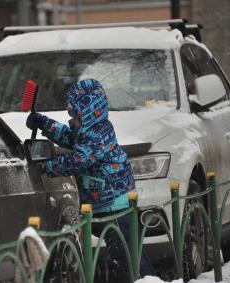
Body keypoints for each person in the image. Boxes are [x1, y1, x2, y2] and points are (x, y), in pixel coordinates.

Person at [26, 78, 154, 281]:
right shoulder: (88, 130)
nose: (71, 118)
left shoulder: (97, 135)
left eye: (74, 113)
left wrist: (49, 167)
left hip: (115, 206)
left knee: (129, 258)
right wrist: (45, 123)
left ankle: (145, 280)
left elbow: (79, 160)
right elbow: (69, 137)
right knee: (125, 254)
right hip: (102, 204)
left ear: (87, 112)